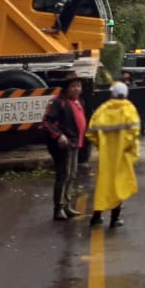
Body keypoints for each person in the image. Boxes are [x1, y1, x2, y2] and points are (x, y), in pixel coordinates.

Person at [87, 81, 141, 228]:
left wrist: (101, 146)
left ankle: (96, 217)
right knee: (119, 184)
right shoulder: (129, 110)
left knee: (103, 184)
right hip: (122, 155)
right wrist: (128, 149)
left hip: (106, 155)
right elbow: (134, 133)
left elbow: (91, 132)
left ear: (112, 94)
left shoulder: (102, 110)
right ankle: (114, 219)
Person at [43, 75, 87, 222]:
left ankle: (67, 205)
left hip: (75, 143)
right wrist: (59, 135)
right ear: (67, 88)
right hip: (64, 144)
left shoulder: (78, 101)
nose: (77, 89)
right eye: (74, 86)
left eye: (79, 86)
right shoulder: (58, 102)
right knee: (63, 175)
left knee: (72, 174)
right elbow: (47, 122)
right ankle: (58, 208)